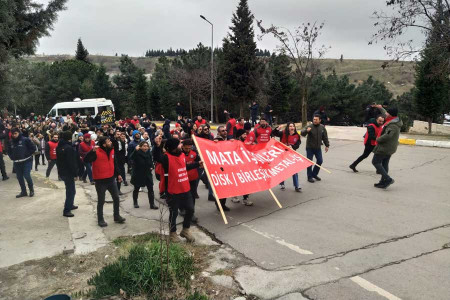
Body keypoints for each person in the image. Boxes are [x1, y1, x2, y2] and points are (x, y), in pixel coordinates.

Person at [160, 138, 199, 243]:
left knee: (190, 209)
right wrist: (164, 191)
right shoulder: (165, 158)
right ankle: (172, 233)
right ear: (173, 148)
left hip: (185, 188)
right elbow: (162, 174)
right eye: (178, 144)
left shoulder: (181, 155)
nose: (180, 145)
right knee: (174, 213)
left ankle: (185, 230)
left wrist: (197, 164)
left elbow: (184, 167)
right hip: (173, 191)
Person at [84, 136, 126, 227]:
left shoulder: (112, 150)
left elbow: (114, 163)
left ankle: (117, 216)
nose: (110, 142)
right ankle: (100, 219)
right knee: (101, 200)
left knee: (116, 198)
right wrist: (92, 151)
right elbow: (86, 160)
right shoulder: (96, 152)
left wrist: (118, 174)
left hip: (111, 179)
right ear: (103, 144)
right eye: (108, 141)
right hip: (100, 181)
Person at [372, 107, 402, 189]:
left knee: (375, 162)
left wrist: (378, 139)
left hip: (385, 147)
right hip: (389, 147)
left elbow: (388, 135)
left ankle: (388, 179)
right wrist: (380, 108)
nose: (385, 114)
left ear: (390, 114)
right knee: (385, 164)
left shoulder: (393, 125)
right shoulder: (393, 120)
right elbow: (385, 112)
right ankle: (383, 182)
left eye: (387, 113)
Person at [273, 122, 302, 192]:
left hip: (292, 154)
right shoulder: (283, 133)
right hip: (283, 154)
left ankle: (296, 186)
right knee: (283, 169)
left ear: (294, 127)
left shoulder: (297, 135)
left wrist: (292, 147)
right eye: (290, 126)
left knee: (294, 170)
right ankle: (282, 183)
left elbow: (297, 145)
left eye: (293, 126)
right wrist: (277, 129)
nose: (292, 127)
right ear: (288, 128)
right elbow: (274, 133)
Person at [130, 141, 158, 209]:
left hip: (147, 174)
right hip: (138, 174)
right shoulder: (137, 152)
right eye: (144, 146)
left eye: (147, 146)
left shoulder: (149, 153)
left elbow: (151, 162)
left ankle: (152, 204)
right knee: (136, 189)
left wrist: (152, 167)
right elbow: (131, 158)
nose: (145, 147)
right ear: (140, 146)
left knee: (150, 189)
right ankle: (135, 202)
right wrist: (135, 150)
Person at [301, 115, 330, 183]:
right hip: (310, 148)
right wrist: (306, 131)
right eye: (314, 119)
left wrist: (327, 145)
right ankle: (309, 177)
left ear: (320, 120)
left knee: (320, 161)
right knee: (309, 162)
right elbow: (302, 133)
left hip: (318, 148)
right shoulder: (310, 126)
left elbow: (325, 137)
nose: (315, 121)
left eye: (316, 119)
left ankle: (314, 174)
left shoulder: (322, 127)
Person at [8, 128, 36, 197]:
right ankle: (23, 192)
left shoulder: (25, 139)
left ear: (18, 133)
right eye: (13, 134)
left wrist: (26, 154)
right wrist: (12, 157)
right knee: (19, 177)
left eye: (15, 133)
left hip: (27, 161)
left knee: (27, 175)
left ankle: (31, 190)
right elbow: (9, 151)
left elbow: (33, 148)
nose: (14, 135)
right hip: (17, 163)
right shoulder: (11, 141)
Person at [56, 131, 79, 217]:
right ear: (69, 138)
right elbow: (71, 163)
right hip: (68, 172)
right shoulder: (69, 148)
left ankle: (70, 204)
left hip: (62, 171)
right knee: (71, 191)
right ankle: (67, 210)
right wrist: (75, 174)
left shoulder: (59, 146)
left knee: (70, 190)